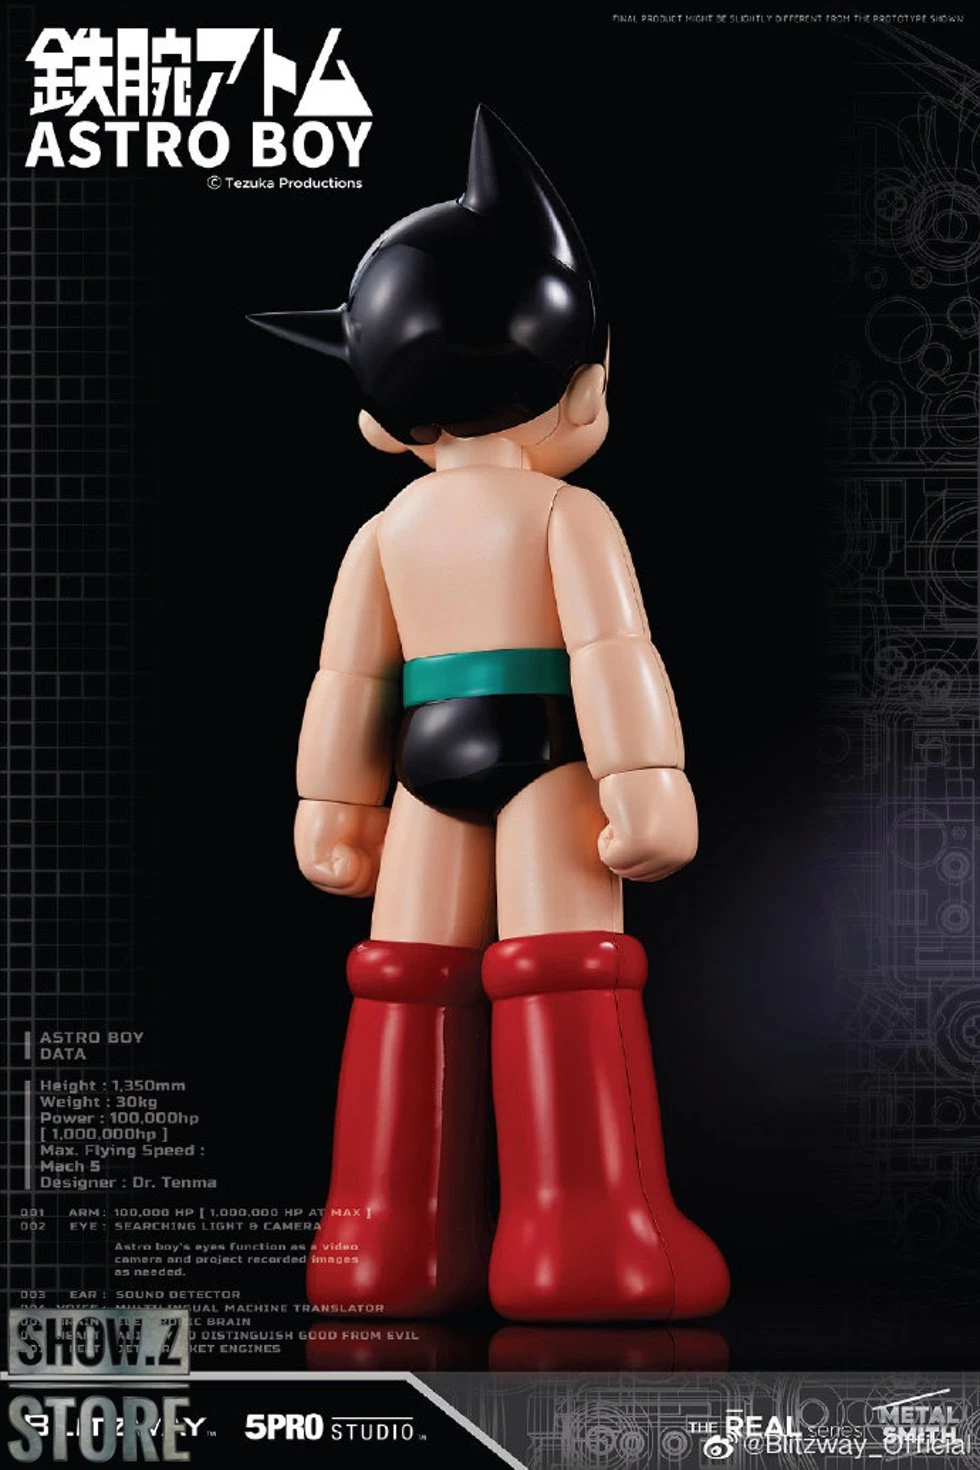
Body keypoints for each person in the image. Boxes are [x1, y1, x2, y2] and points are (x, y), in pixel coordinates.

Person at [249, 105, 728, 1322]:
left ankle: (380, 1246)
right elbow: (612, 655)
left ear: (379, 418)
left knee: (406, 977)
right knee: (565, 972)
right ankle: (589, 1241)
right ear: (583, 384)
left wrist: (329, 807)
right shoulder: (571, 516)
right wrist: (645, 782)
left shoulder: (384, 531)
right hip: (550, 757)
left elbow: (347, 683)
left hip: (424, 770)